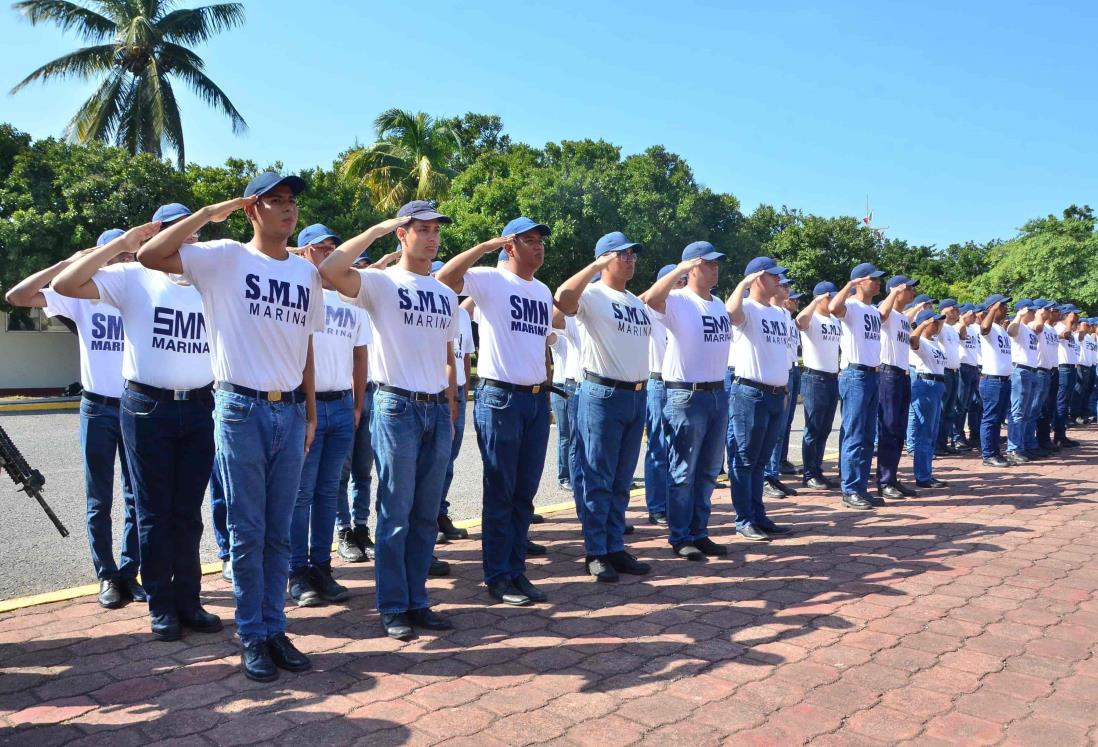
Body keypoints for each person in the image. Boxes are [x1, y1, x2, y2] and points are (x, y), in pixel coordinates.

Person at [138, 172, 322, 682]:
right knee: (247, 530)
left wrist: (308, 413)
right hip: (240, 407)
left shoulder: (307, 275)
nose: (287, 210)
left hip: (288, 411)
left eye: (291, 202)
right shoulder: (223, 256)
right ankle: (252, 634)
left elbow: (305, 345)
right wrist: (208, 212)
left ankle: (275, 626)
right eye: (275, 201)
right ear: (251, 210)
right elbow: (150, 256)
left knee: (280, 532)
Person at [53, 213, 222, 641]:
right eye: (174, 228)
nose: (187, 235)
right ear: (153, 233)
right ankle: (161, 605)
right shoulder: (133, 276)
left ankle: (189, 600)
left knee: (187, 513)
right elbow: (65, 285)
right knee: (153, 512)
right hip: (148, 406)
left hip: (200, 405)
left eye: (193, 228)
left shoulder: (210, 280)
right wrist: (120, 244)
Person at [319, 200, 459, 640]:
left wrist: (451, 411)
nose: (433, 237)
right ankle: (394, 604)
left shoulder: (443, 292)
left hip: (436, 406)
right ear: (403, 234)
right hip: (396, 405)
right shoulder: (380, 282)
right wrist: (378, 227)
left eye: (436, 229)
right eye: (422, 229)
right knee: (395, 510)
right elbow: (330, 270)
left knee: (424, 513)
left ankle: (418, 599)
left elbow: (448, 356)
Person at [5, 230, 144, 610]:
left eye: (126, 255)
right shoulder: (80, 299)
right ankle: (107, 576)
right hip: (98, 408)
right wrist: (67, 263)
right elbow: (17, 297)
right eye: (111, 256)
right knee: (99, 498)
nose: (120, 262)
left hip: (136, 406)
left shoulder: (137, 293)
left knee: (137, 497)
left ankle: (130, 574)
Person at [436, 217, 554, 607]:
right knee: (501, 490)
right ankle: (498, 576)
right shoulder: (489, 278)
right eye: (529, 241)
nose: (538, 247)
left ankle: (516, 570)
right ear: (510, 246)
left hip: (536, 399)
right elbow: (446, 279)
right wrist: (484, 247)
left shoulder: (541, 289)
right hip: (500, 398)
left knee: (525, 492)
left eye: (540, 241)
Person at [554, 231, 652, 581]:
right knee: (597, 477)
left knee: (621, 480)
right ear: (605, 259)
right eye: (622, 255)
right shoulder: (592, 295)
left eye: (632, 255)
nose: (630, 260)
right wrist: (593, 266)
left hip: (636, 394)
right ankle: (595, 551)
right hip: (602, 395)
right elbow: (562, 299)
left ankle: (614, 546)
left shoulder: (636, 303)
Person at [286, 223, 370, 607]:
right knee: (300, 494)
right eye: (319, 249)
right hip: (308, 404)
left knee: (327, 491)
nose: (329, 254)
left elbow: (360, 353)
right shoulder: (299, 293)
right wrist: (308, 407)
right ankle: (296, 571)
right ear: (303, 253)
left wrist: (356, 403)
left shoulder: (352, 299)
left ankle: (321, 566)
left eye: (333, 248)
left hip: (341, 405)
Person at [643, 241, 731, 560]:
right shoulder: (677, 300)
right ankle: (680, 536)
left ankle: (699, 531)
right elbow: (651, 299)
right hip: (686, 394)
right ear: (693, 267)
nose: (715, 268)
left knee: (707, 471)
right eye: (709, 263)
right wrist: (679, 269)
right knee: (683, 472)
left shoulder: (718, 303)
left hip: (717, 393)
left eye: (716, 263)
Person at [726, 257, 796, 541]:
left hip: (776, 394)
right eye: (773, 276)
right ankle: (744, 519)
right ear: (757, 279)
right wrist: (743, 283)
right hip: (750, 393)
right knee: (744, 459)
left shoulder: (780, 314)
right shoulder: (748, 309)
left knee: (760, 460)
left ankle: (758, 514)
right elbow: (731, 313)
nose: (779, 281)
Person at [829, 262, 884, 510]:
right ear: (861, 281)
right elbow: (833, 307)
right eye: (874, 279)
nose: (879, 282)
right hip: (856, 375)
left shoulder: (872, 310)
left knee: (867, 435)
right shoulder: (850, 305)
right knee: (854, 433)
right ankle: (850, 488)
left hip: (873, 375)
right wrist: (849, 285)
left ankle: (861, 487)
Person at [435, 260, 475, 544]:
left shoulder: (461, 315)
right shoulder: (433, 307)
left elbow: (464, 356)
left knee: (448, 461)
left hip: (458, 391)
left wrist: (463, 393)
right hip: (436, 391)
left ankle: (440, 511)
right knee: (435, 461)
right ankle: (431, 517)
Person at [640, 265, 682, 525]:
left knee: (680, 449)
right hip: (658, 383)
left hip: (681, 385)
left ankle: (674, 503)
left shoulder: (685, 310)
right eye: (677, 282)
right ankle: (656, 506)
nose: (681, 286)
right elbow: (643, 298)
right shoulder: (652, 310)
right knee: (658, 447)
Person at [876, 274, 919, 500]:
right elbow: (881, 315)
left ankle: (892, 477)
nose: (912, 293)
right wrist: (892, 292)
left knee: (899, 430)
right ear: (896, 290)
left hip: (902, 375)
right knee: (889, 428)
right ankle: (884, 481)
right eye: (909, 289)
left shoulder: (902, 316)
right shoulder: (886, 311)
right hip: (888, 374)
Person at [797, 281, 841, 489]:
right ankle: (809, 473)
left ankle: (817, 468)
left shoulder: (834, 320)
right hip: (815, 378)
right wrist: (814, 301)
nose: (833, 300)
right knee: (813, 428)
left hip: (832, 377)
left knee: (824, 429)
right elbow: (800, 321)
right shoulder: (812, 317)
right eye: (829, 296)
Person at [761, 280, 801, 498]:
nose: (787, 290)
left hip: (786, 373)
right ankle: (766, 477)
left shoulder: (785, 315)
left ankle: (773, 475)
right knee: (767, 433)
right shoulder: (764, 312)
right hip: (770, 378)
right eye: (783, 286)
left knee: (779, 430)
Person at [908, 309, 949, 489]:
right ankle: (922, 476)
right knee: (924, 431)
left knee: (931, 432)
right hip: (926, 383)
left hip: (937, 385)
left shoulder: (935, 342)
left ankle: (927, 473)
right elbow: (912, 341)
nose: (938, 324)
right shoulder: (922, 341)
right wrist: (922, 324)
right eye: (935, 321)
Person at [977, 295, 1013, 467]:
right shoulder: (988, 327)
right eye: (1002, 306)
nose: (1006, 309)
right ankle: (988, 454)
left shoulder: (1001, 329)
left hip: (1004, 379)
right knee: (990, 418)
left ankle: (996, 452)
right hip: (992, 380)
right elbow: (984, 327)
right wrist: (991, 309)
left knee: (998, 419)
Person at [1005, 299, 1042, 464]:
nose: (1034, 313)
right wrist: (1019, 315)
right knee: (1017, 412)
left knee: (1027, 413)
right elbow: (1011, 331)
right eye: (1031, 311)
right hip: (1020, 370)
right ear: (1023, 311)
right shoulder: (1018, 325)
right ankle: (1013, 449)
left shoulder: (1030, 328)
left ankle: (1022, 446)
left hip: (1032, 371)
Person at [934, 299, 964, 455]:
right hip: (944, 370)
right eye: (954, 309)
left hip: (954, 371)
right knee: (942, 409)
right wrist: (941, 316)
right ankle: (937, 444)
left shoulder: (952, 329)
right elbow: (934, 334)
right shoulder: (940, 326)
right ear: (945, 310)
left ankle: (944, 442)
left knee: (950, 411)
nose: (957, 312)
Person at [1054, 305, 1082, 448]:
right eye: (1073, 315)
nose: (1076, 318)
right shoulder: (1059, 327)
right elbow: (1064, 335)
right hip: (1063, 368)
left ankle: (1061, 434)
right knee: (1061, 403)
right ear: (1066, 315)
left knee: (1065, 403)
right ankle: (1059, 436)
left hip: (1071, 368)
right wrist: (1069, 323)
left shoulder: (1070, 329)